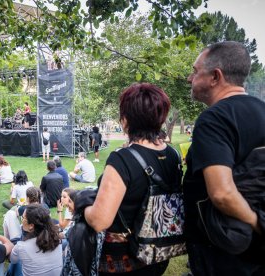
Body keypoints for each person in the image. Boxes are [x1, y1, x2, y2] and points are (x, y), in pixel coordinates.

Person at [184, 41, 265, 275]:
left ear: (215, 77)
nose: (190, 78)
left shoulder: (214, 119)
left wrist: (257, 222)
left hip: (225, 252)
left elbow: (221, 193)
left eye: (195, 71)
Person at [84, 83, 179, 275]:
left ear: (125, 119)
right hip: (158, 253)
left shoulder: (122, 159)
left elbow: (99, 221)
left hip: (124, 259)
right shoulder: (173, 154)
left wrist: (82, 206)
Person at [10, 204, 63, 276]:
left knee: (15, 264)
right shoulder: (57, 238)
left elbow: (12, 260)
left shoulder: (21, 246)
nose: (22, 220)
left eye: (23, 218)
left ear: (31, 225)